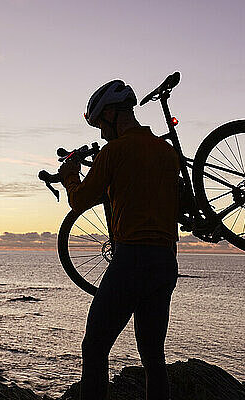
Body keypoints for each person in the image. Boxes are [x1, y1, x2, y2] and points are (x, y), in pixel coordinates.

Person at [58, 79, 180, 400]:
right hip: (166, 263)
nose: (100, 132)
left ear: (112, 114)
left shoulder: (114, 151)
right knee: (153, 357)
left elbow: (81, 199)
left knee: (95, 346)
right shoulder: (167, 152)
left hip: (132, 260)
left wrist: (71, 174)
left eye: (100, 123)